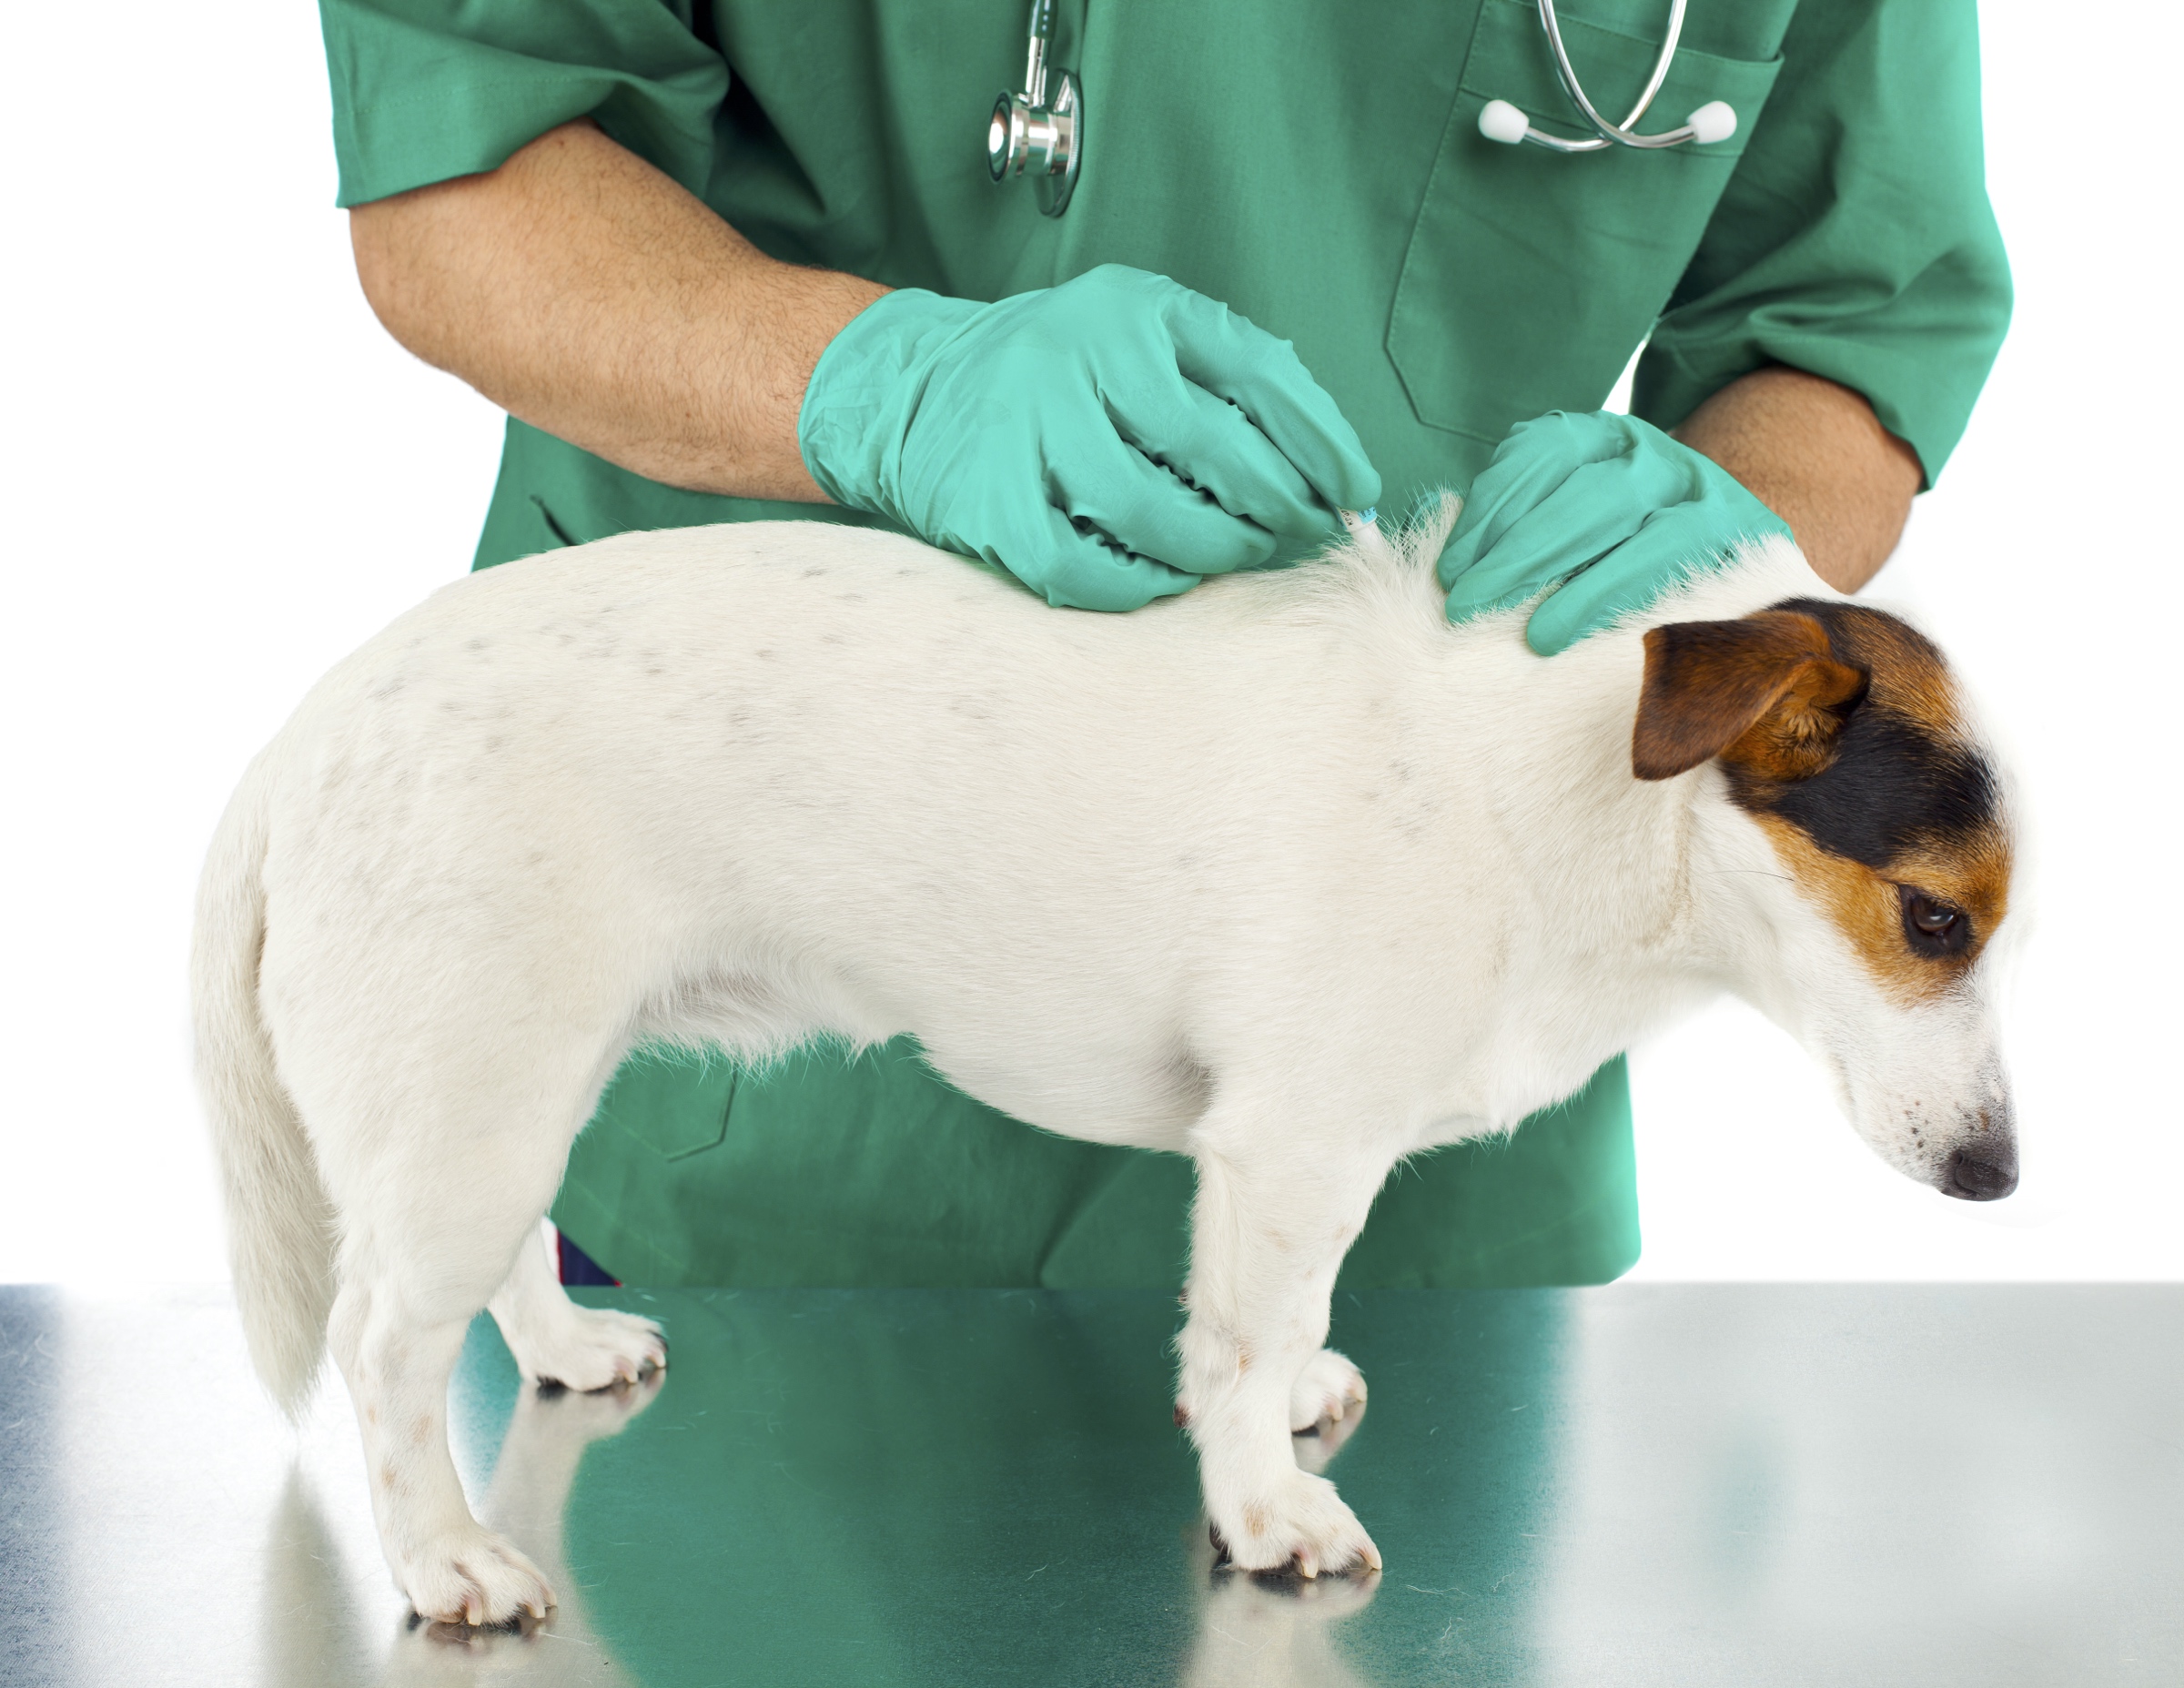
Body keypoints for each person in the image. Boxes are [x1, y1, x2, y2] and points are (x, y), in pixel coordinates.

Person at [316, 0, 2007, 1289]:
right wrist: (871, 384)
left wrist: (1723, 536)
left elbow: (1856, 308)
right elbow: (471, 151)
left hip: (1434, 1103)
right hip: (769, 1043)